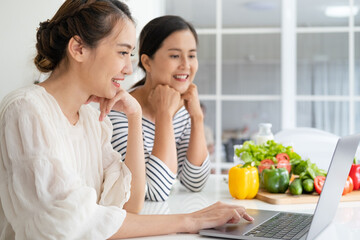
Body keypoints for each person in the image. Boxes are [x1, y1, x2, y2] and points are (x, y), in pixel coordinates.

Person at [0, 1, 253, 239]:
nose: (129, 70)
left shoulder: (91, 117)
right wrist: (191, 221)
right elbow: (72, 223)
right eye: (122, 52)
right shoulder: (26, 109)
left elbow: (131, 204)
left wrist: (134, 116)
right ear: (78, 49)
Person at [110, 15, 211, 201]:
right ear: (147, 62)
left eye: (191, 55)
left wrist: (197, 118)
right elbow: (153, 191)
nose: (186, 65)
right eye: (174, 55)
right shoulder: (119, 113)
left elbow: (194, 182)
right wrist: (164, 115)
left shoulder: (183, 108)